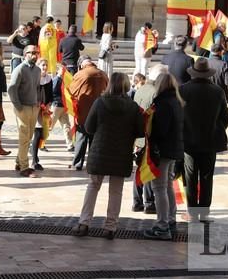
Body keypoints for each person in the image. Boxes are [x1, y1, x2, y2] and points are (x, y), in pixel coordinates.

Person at [72, 73, 144, 240]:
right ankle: (110, 227)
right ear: (126, 86)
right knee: (116, 190)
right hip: (121, 153)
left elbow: (89, 127)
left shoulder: (100, 102)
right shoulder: (132, 107)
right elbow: (140, 131)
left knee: (93, 186)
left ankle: (84, 223)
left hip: (100, 151)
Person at [179, 58, 228, 220]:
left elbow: (178, 116)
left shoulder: (182, 90)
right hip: (210, 140)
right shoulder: (217, 91)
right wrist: (216, 127)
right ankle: (204, 212)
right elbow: (226, 117)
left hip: (189, 141)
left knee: (190, 177)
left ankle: (192, 212)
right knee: (207, 177)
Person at [142, 73, 184, 241]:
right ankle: (171, 220)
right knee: (167, 185)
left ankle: (162, 225)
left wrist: (151, 140)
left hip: (163, 150)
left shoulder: (163, 103)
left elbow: (161, 130)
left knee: (159, 188)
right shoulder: (177, 101)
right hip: (174, 148)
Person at [132, 64, 167, 213]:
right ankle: (149, 202)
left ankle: (137, 202)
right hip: (150, 136)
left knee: (140, 168)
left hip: (138, 137)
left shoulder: (140, 90)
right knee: (148, 168)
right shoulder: (156, 93)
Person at [68, 56, 109, 171]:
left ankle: (77, 163)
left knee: (81, 137)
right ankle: (93, 163)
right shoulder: (103, 74)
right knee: (95, 139)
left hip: (84, 112)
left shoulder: (81, 74)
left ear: (81, 65)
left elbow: (71, 91)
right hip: (100, 111)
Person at [7, 45, 42, 177]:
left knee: (29, 137)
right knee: (24, 138)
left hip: (34, 107)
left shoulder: (38, 70)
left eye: (36, 53)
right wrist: (18, 105)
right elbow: (12, 89)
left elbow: (38, 87)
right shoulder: (19, 69)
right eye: (32, 53)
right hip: (22, 108)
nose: (34, 55)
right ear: (25, 54)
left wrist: (39, 101)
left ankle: (18, 161)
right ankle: (24, 167)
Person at [31, 58, 53, 171]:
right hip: (35, 109)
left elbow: (50, 94)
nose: (45, 67)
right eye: (43, 65)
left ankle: (34, 157)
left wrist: (48, 104)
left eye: (46, 65)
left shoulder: (49, 79)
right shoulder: (34, 79)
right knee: (37, 133)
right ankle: (34, 160)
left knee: (43, 134)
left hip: (44, 110)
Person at [50, 63, 74, 152]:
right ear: (57, 71)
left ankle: (70, 145)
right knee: (50, 125)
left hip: (63, 106)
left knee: (66, 125)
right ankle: (40, 143)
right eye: (62, 69)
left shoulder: (64, 80)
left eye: (65, 69)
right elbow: (53, 92)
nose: (64, 70)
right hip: (57, 105)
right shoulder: (56, 80)